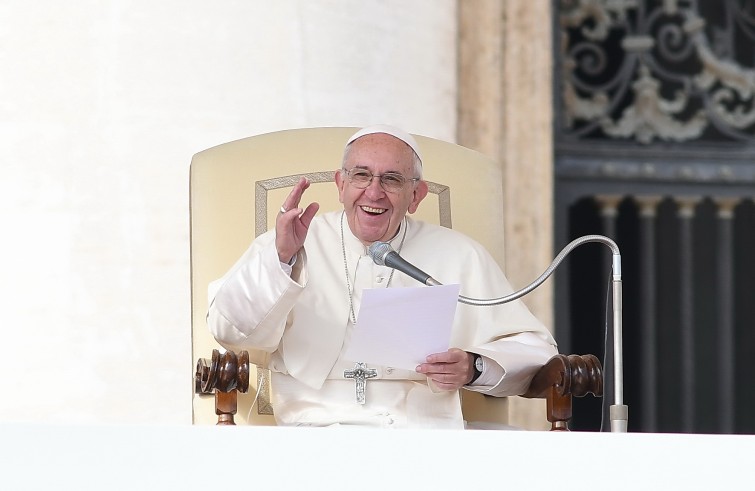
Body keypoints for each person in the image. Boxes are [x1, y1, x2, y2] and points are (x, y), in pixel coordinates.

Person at [207, 124, 558, 429]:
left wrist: (474, 366)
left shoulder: (461, 254)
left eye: (392, 179)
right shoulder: (290, 240)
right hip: (313, 430)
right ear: (340, 184)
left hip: (423, 435)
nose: (374, 192)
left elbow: (536, 350)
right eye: (361, 175)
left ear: (416, 195)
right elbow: (229, 330)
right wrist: (281, 258)